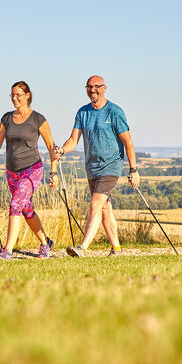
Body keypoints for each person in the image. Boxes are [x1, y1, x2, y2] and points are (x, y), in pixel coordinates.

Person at [52, 75, 139, 257]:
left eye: (96, 87)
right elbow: (73, 140)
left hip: (111, 166)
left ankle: (82, 248)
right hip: (92, 168)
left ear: (104, 88)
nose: (92, 90)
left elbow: (128, 142)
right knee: (105, 208)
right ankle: (117, 249)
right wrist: (62, 150)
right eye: (89, 87)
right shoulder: (82, 112)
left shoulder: (114, 112)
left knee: (95, 203)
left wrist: (133, 170)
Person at [0, 81, 57, 259]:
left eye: (18, 95)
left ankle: (8, 250)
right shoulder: (6, 118)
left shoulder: (38, 119)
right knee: (25, 208)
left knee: (15, 205)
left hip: (32, 170)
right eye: (12, 95)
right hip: (12, 172)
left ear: (27, 95)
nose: (14, 98)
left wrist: (54, 172)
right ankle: (46, 243)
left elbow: (51, 145)